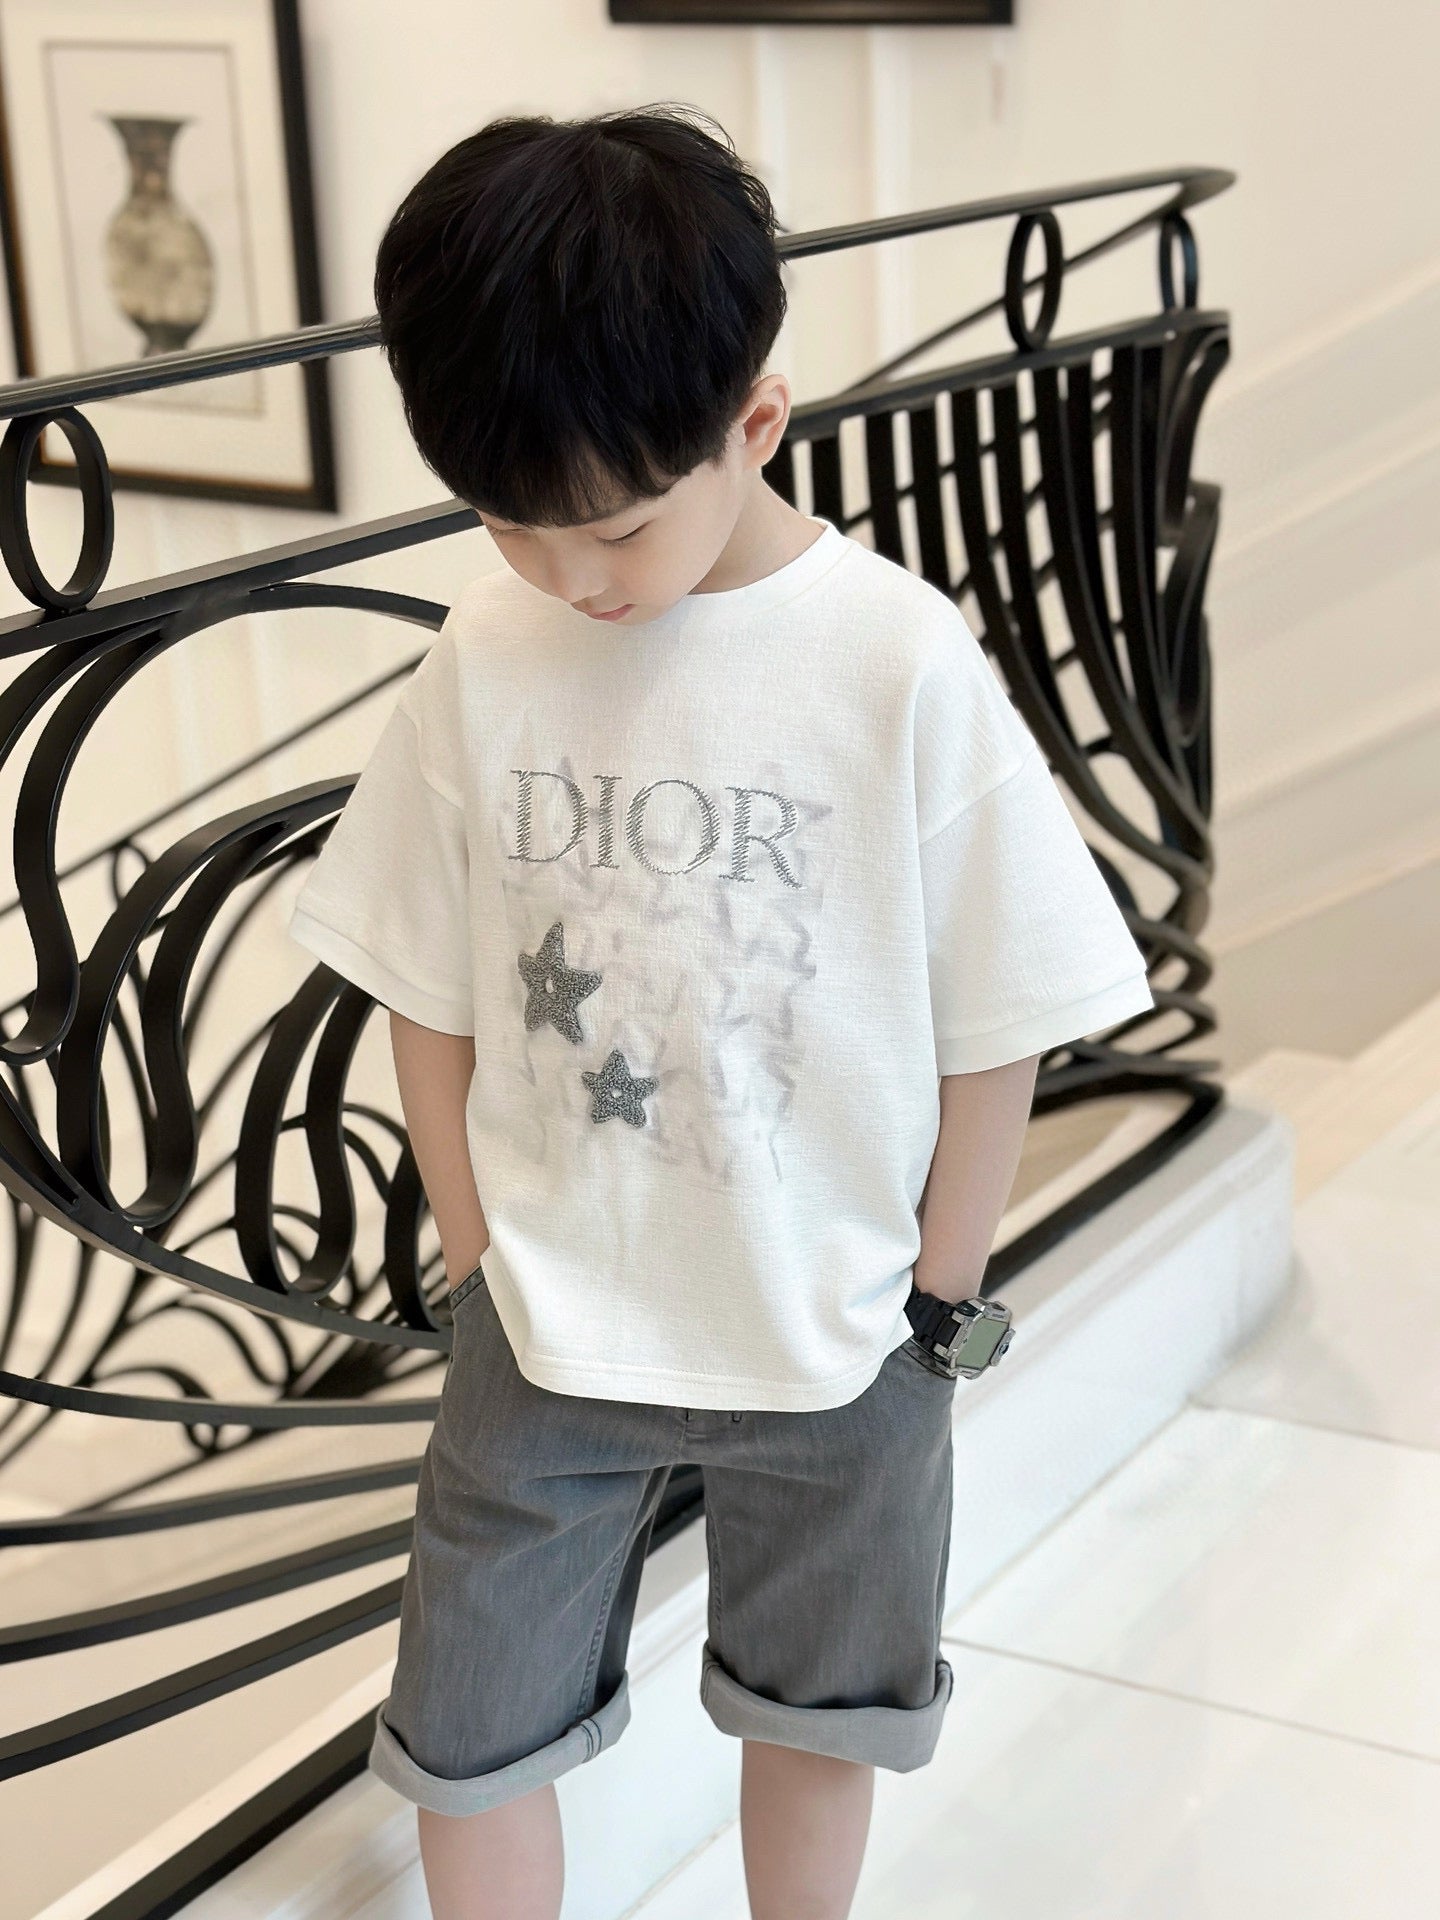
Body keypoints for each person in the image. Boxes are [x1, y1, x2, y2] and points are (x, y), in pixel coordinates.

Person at [287, 102, 1154, 1920]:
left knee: (823, 1712)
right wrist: (473, 1254)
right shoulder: (484, 652)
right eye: (509, 524)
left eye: (611, 526)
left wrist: (940, 1297)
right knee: (465, 1732)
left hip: (843, 1330)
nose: (567, 578)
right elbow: (424, 983)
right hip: (547, 1328)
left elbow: (1005, 1005)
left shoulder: (893, 658)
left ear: (754, 425)